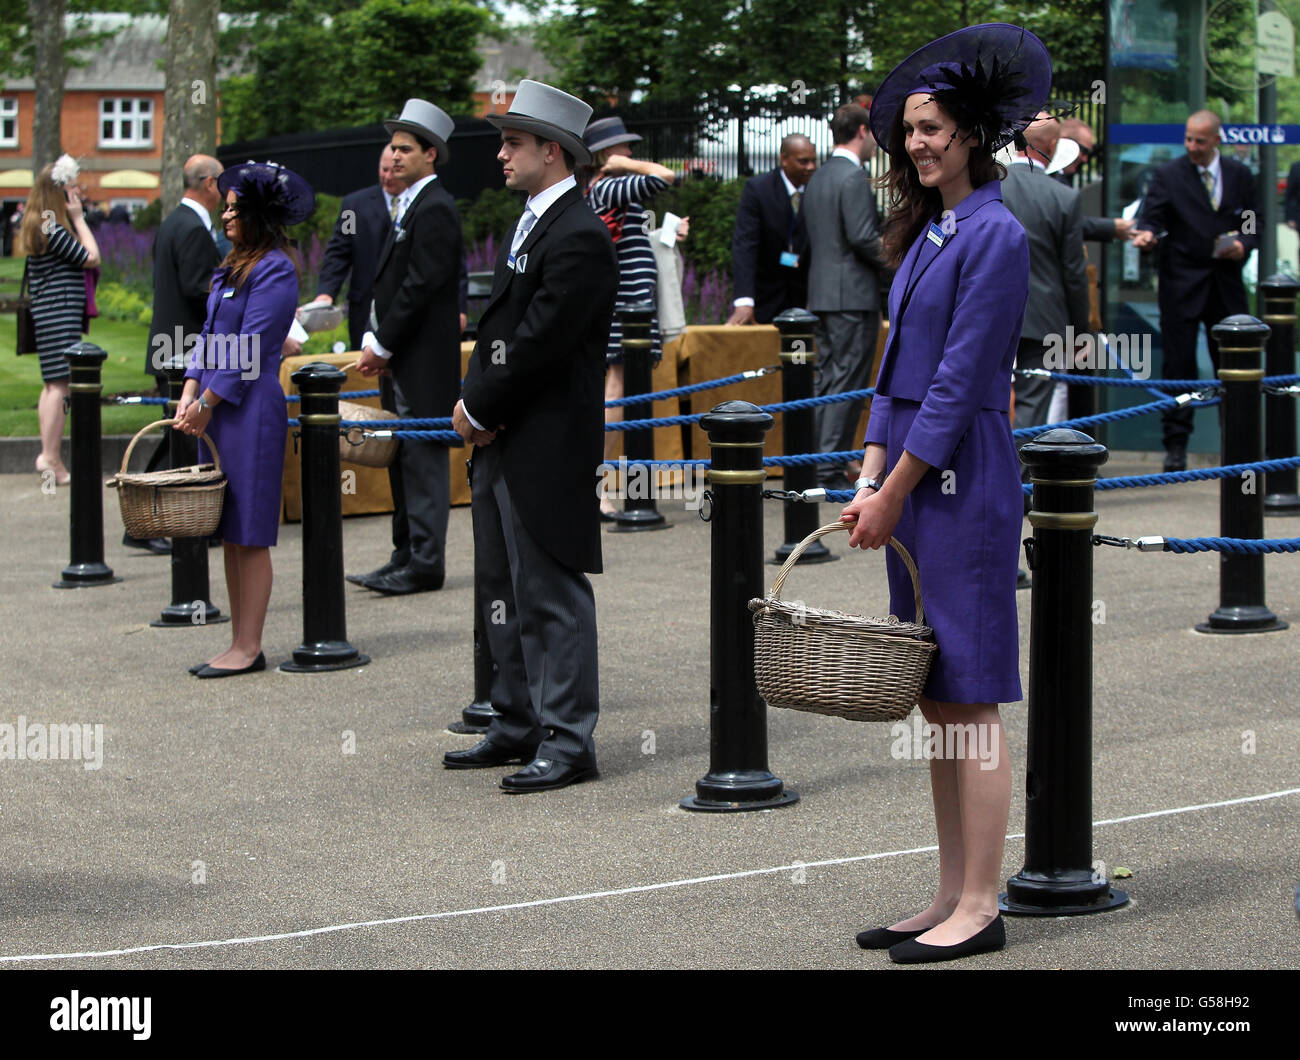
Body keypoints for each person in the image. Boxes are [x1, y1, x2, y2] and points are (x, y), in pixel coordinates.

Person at [839, 24, 1051, 964]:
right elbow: (895, 370)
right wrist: (869, 468)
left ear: (972, 133)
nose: (918, 144)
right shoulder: (935, 229)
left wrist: (896, 488)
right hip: (918, 478)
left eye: (933, 128)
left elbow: (962, 382)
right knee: (936, 698)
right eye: (911, 130)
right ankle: (948, 892)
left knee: (970, 699)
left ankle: (982, 902)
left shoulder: (996, 233)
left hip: (962, 481)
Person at [446, 80, 617, 793]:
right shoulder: (538, 222)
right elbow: (505, 333)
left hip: (543, 437)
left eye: (514, 142)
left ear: (553, 151)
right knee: (502, 588)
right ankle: (515, 720)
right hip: (508, 432)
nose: (502, 155)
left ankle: (568, 738)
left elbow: (539, 343)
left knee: (549, 589)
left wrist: (476, 407)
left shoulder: (576, 232)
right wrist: (480, 405)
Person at [174, 161, 312, 678]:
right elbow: (209, 336)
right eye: (225, 207)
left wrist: (206, 403)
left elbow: (250, 349)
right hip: (213, 408)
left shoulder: (274, 268)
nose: (225, 214)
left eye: (234, 208)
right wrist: (191, 388)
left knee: (250, 531)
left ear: (255, 214)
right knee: (229, 528)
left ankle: (248, 646)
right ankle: (238, 640)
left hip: (247, 413)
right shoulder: (230, 266)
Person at [353, 99, 465, 596]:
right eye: (392, 148)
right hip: (404, 359)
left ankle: (425, 562)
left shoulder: (435, 206)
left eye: (405, 149)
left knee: (422, 460)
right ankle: (405, 554)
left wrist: (383, 341)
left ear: (430, 155)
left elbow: (421, 285)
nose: (394, 157)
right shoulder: (413, 203)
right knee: (403, 457)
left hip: (421, 361)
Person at [1132, 110, 1258, 471]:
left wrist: (1244, 243)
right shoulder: (1169, 175)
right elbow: (1151, 217)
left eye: (1200, 140)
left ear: (1217, 139)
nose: (1192, 146)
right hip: (1181, 286)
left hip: (1226, 285)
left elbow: (1253, 219)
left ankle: (1238, 446)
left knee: (1232, 368)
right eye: (1188, 139)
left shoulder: (1240, 174)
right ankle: (1176, 448)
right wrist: (1147, 234)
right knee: (1179, 366)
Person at [578, 115, 688, 518]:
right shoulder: (610, 183)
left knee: (625, 390)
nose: (631, 153)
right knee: (618, 389)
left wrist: (666, 235)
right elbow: (665, 176)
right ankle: (598, 486)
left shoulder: (607, 191)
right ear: (608, 155)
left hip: (630, 308)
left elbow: (628, 238)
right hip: (627, 310)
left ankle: (606, 486)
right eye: (623, 148)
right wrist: (626, 166)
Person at [132, 154, 225, 552]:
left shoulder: (173, 222)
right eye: (222, 182)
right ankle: (149, 519)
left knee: (177, 434)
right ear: (208, 183)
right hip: (183, 347)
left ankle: (151, 519)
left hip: (171, 345)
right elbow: (194, 286)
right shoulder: (192, 228)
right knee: (180, 435)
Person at [802, 102, 886, 488]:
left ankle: (816, 462)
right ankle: (828, 468)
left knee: (826, 381)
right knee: (846, 384)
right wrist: (908, 263)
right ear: (863, 132)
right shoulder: (853, 178)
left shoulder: (818, 177)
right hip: (851, 297)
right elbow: (863, 238)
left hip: (822, 294)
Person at [1000, 112, 1090, 440]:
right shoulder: (1064, 198)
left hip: (989, 312)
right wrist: (1081, 332)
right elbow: (1074, 274)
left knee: (982, 400)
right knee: (1032, 408)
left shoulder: (988, 187)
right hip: (1043, 320)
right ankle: (1017, 488)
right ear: (1052, 145)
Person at [16, 155, 101, 487]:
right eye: (71, 189)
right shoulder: (52, 224)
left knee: (52, 383)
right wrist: (79, 219)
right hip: (59, 309)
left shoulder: (39, 221)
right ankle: (50, 456)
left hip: (49, 310)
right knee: (59, 384)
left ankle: (49, 454)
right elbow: (91, 257)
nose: (77, 194)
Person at [726, 134, 815, 325]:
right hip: (765, 298)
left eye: (813, 161)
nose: (811, 167)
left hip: (804, 301)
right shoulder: (758, 189)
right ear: (784, 159)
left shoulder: (817, 189)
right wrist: (744, 301)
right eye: (803, 161)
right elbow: (745, 245)